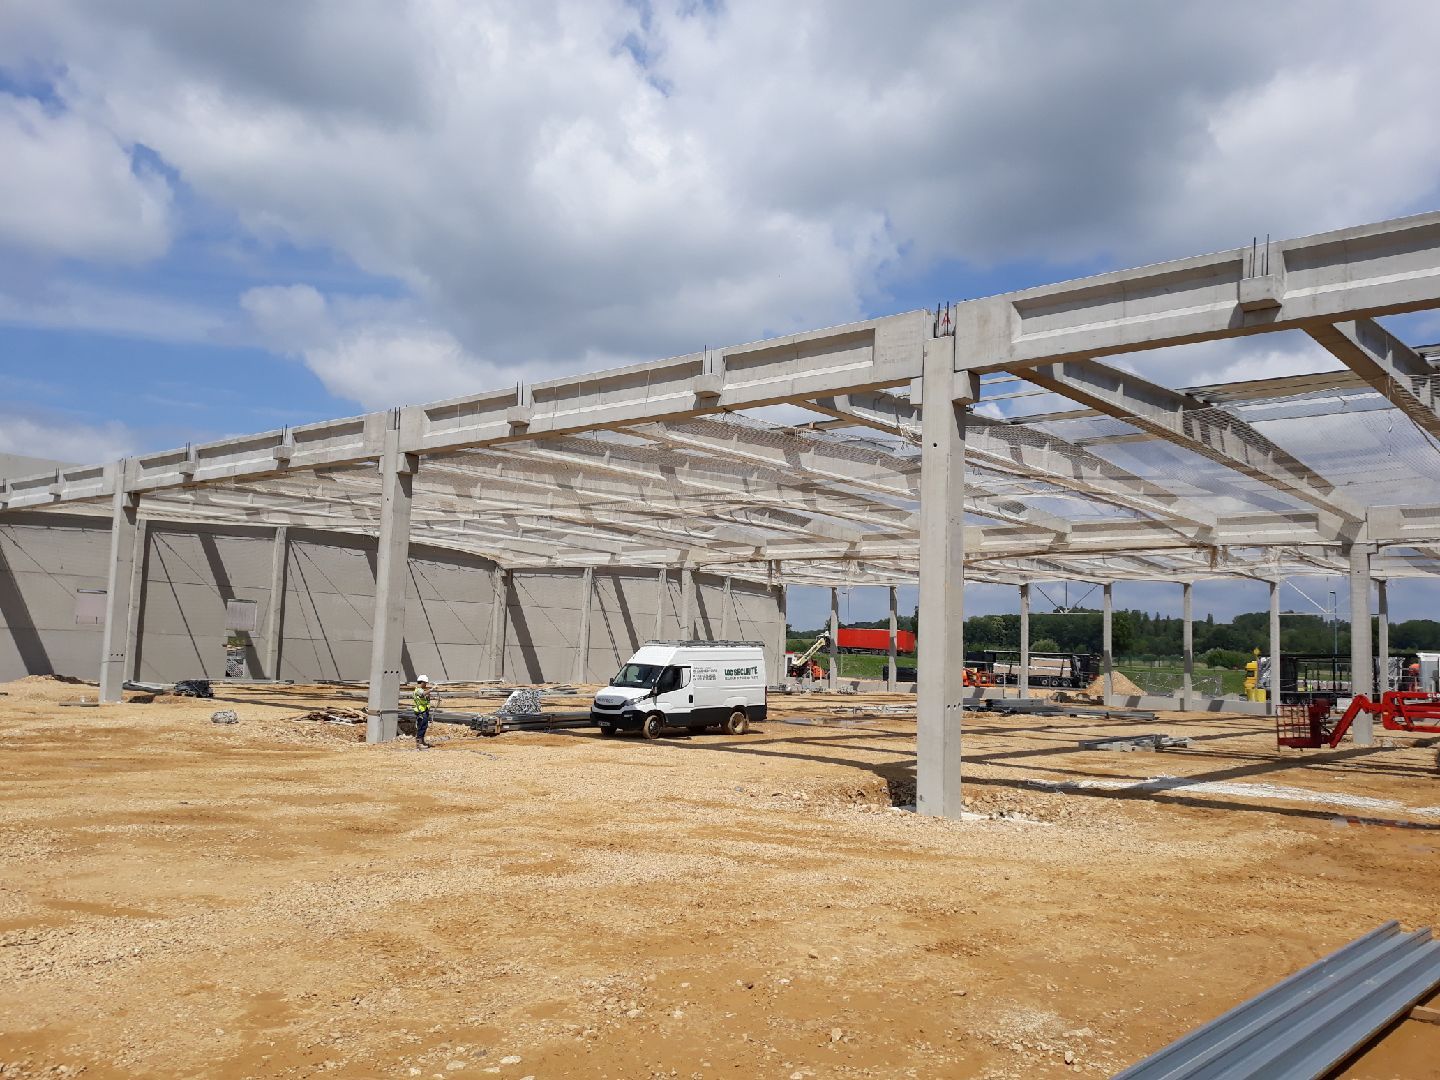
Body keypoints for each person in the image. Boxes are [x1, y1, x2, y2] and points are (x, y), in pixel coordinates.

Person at [413, 675, 434, 749]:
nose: (426, 684)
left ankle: (422, 741)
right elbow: (422, 694)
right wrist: (431, 690)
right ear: (422, 682)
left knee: (424, 726)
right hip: (421, 712)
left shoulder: (421, 690)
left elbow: (425, 698)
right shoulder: (418, 690)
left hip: (424, 711)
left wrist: (428, 696)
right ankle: (419, 743)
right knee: (421, 727)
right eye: (425, 683)